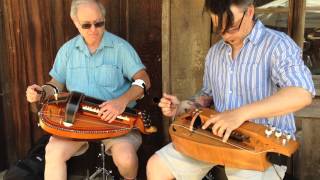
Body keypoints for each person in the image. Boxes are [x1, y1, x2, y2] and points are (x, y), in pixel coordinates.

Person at [147, 0, 315, 180]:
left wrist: (239, 114)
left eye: (232, 26)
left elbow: (301, 93)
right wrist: (181, 107)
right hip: (216, 136)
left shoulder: (277, 45)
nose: (225, 34)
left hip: (261, 144)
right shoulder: (215, 53)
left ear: (249, 12)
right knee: (157, 166)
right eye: (219, 27)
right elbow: (206, 97)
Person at [26, 0, 150, 179]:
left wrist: (121, 101)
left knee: (126, 159)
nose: (94, 29)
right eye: (86, 25)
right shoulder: (67, 50)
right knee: (53, 152)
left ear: (104, 20)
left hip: (117, 120)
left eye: (99, 23)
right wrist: (40, 93)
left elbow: (144, 80)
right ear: (75, 23)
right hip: (76, 120)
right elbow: (55, 85)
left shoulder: (120, 48)